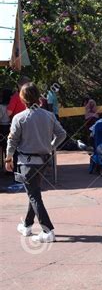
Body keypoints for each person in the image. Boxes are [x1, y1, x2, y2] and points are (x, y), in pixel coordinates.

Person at [5, 82, 66, 243]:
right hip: (44, 160)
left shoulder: (19, 118)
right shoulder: (48, 115)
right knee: (34, 192)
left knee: (33, 194)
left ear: (23, 98)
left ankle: (48, 230)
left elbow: (12, 141)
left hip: (27, 161)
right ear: (38, 96)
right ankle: (27, 225)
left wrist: (8, 158)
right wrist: (51, 147)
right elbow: (62, 134)